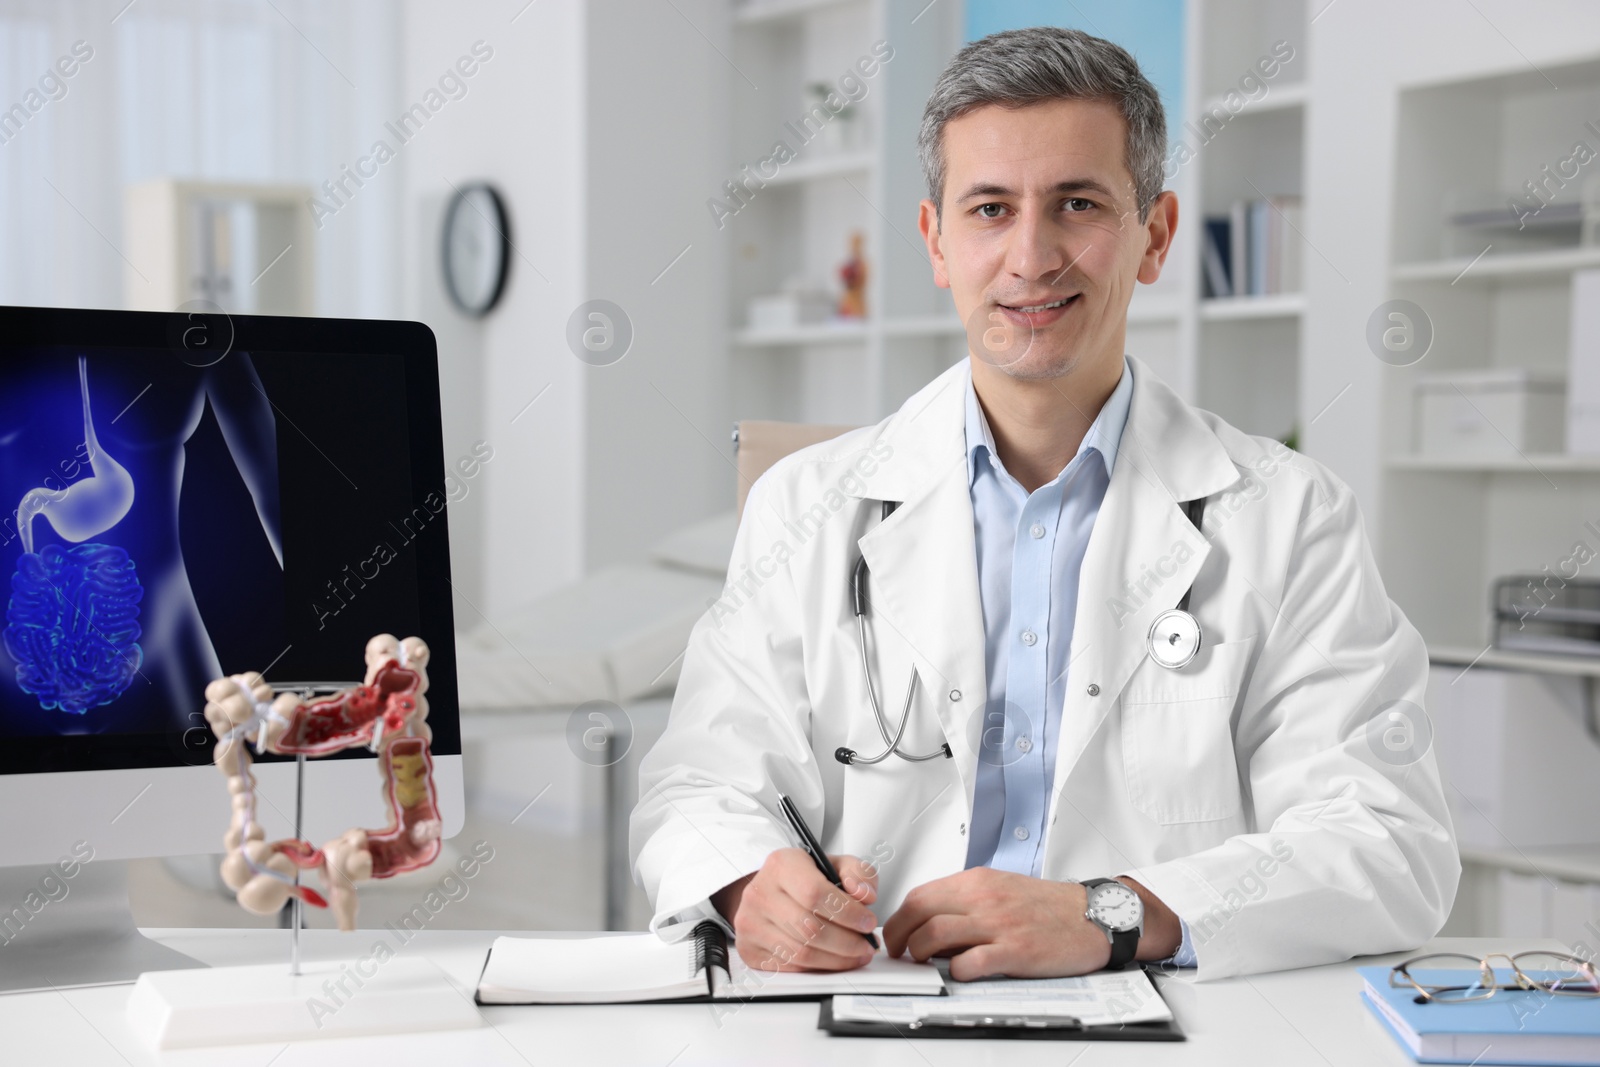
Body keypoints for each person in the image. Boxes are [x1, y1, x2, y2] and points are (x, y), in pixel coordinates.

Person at [630, 26, 1458, 981]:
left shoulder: (1289, 515)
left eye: (1078, 203)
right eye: (989, 208)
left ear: (1154, 235)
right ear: (937, 243)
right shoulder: (805, 508)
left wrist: (1112, 913)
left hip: (1158, 1019)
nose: (1032, 255)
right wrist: (747, 886)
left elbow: (1387, 837)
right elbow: (698, 781)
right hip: (874, 1014)